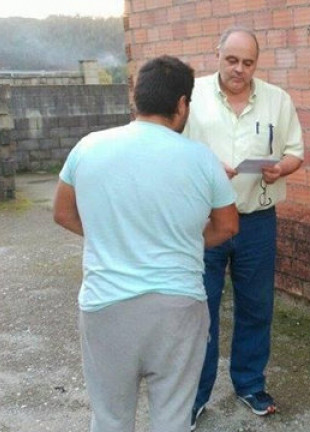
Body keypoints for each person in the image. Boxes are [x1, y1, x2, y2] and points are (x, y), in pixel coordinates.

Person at [52, 55, 239, 432]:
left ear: (134, 98)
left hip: (105, 306)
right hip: (178, 307)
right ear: (182, 104)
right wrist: (179, 240)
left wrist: (115, 234)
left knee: (109, 418)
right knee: (172, 418)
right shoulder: (203, 159)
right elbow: (228, 226)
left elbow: (62, 212)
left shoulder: (87, 147)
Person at [184, 25, 304, 426]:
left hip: (257, 220)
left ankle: (250, 383)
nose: (239, 69)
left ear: (257, 62)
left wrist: (281, 168)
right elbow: (168, 146)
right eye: (231, 60)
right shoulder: (192, 96)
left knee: (256, 306)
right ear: (217, 54)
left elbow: (295, 152)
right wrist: (203, 166)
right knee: (201, 309)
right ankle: (195, 394)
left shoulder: (277, 100)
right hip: (203, 221)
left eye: (247, 62)